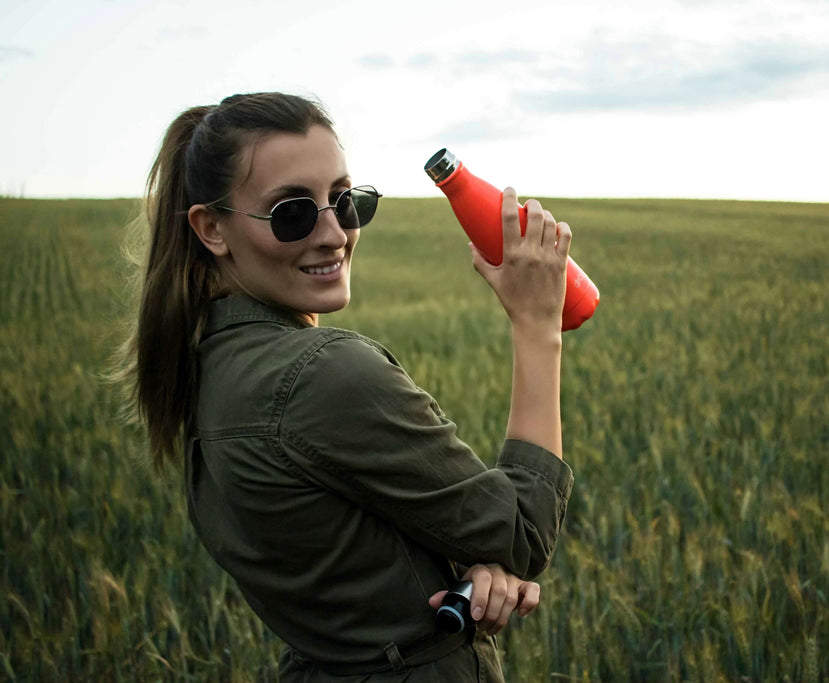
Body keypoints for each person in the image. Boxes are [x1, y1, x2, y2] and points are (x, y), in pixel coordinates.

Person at [119, 91, 574, 681]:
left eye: (344, 200)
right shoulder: (324, 374)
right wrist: (537, 327)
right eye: (292, 213)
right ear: (212, 229)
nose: (335, 233)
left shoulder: (204, 365)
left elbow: (353, 543)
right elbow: (521, 533)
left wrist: (468, 569)